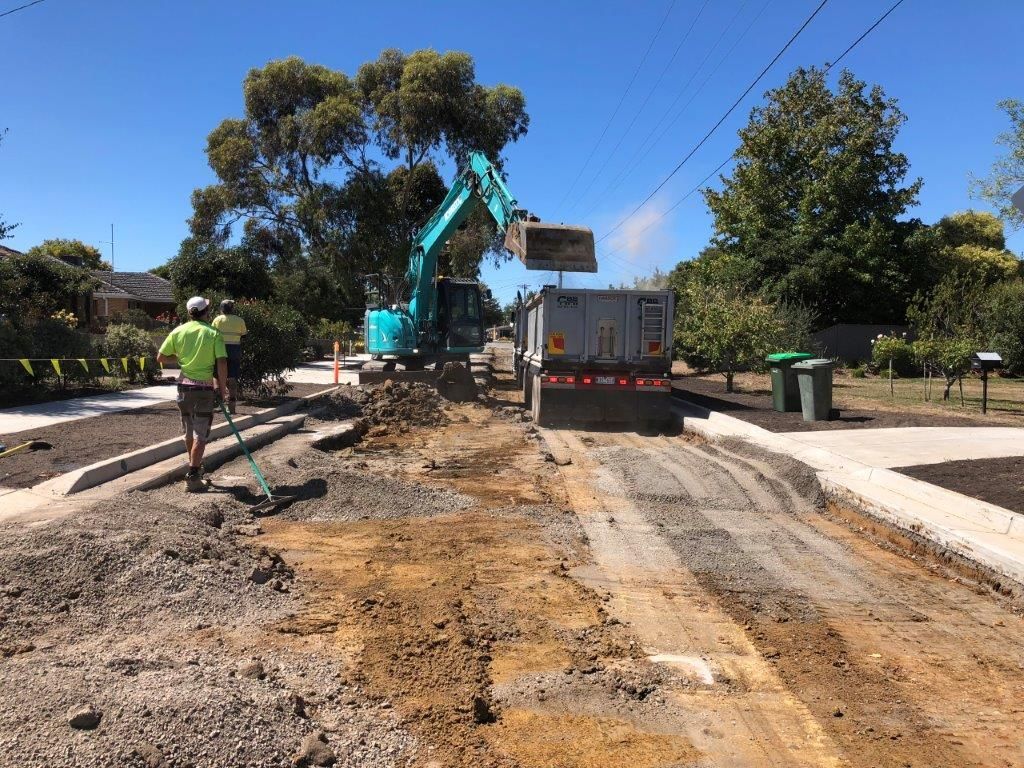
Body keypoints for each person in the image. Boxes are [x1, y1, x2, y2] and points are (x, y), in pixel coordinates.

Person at [157, 296, 228, 492]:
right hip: (203, 391)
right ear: (206, 311)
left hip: (184, 389)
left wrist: (180, 358)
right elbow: (221, 363)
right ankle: (194, 475)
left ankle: (194, 467)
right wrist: (222, 389)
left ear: (189, 313)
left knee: (189, 431)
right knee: (201, 435)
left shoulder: (178, 331)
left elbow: (161, 357)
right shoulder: (213, 333)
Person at [212, 299, 247, 414]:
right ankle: (232, 407)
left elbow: (211, 335)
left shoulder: (217, 320)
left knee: (216, 376)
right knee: (232, 378)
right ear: (232, 309)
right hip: (235, 351)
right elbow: (244, 336)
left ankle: (219, 401)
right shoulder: (240, 320)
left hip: (220, 350)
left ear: (221, 309)